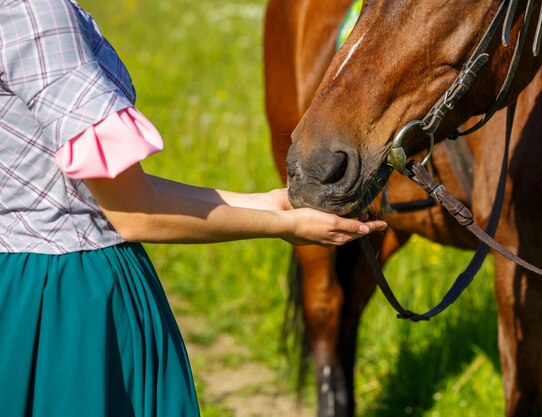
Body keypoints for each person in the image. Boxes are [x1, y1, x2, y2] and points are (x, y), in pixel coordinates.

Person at [0, 1, 387, 416]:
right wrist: (281, 226)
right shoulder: (36, 13)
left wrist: (271, 202)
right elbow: (133, 212)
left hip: (20, 288)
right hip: (73, 303)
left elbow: (102, 192)